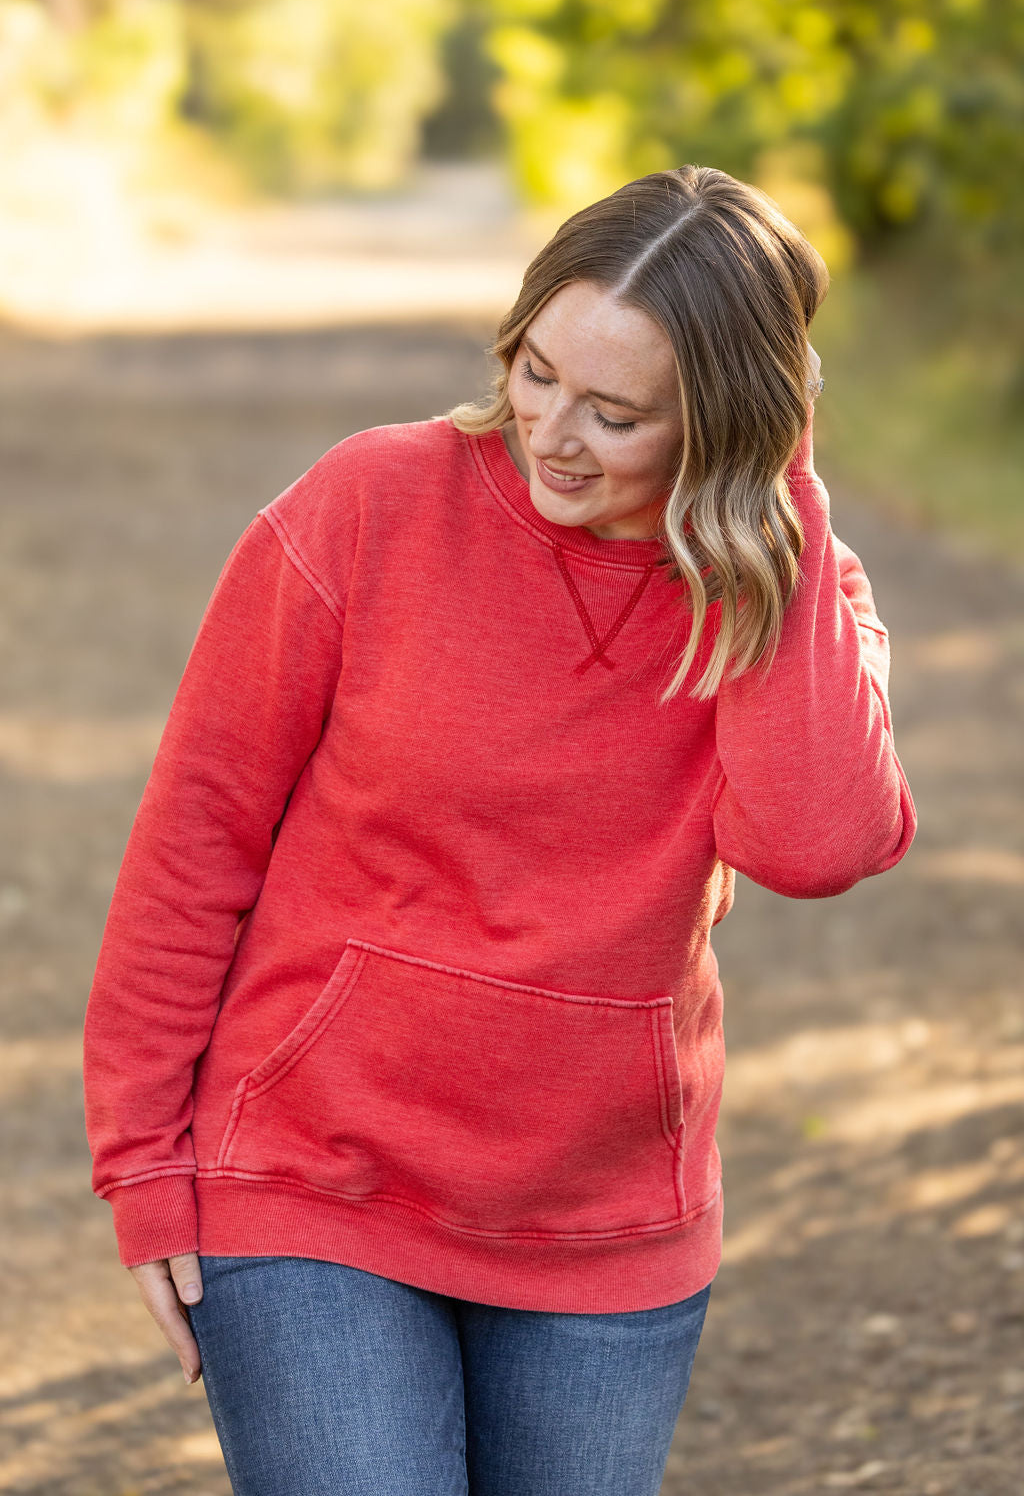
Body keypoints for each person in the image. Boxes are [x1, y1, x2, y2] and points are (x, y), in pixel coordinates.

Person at [82, 164, 917, 1496]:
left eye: (617, 410)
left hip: (603, 1219)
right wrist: (143, 1163)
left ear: (738, 420)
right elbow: (196, 841)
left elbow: (816, 844)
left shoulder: (778, 595)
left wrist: (784, 519)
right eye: (536, 371)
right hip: (312, 1177)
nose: (553, 432)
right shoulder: (371, 506)